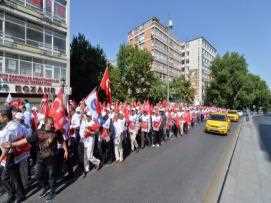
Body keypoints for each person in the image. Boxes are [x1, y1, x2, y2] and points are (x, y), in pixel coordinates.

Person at [2, 117, 69, 201]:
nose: (52, 126)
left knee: (51, 175)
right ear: (45, 123)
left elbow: (62, 141)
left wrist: (66, 150)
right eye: (50, 124)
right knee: (38, 175)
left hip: (52, 158)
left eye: (53, 124)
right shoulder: (38, 133)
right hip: (40, 158)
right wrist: (12, 144)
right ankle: (45, 186)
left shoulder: (56, 131)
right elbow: (25, 140)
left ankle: (52, 191)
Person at [0, 108, 30, 203]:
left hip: (10, 155)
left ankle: (13, 194)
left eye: (0, 116)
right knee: (15, 176)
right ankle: (18, 194)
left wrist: (0, 159)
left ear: (5, 117)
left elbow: (5, 149)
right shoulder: (18, 124)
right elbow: (27, 134)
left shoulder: (5, 132)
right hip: (19, 153)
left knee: (5, 177)